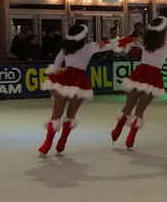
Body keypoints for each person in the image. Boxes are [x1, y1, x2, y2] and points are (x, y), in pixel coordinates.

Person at [109, 16, 167, 149]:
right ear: (164, 30)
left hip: (139, 74)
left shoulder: (144, 41)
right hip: (153, 78)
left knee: (128, 105)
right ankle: (131, 137)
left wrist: (128, 39)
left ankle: (117, 130)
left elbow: (121, 42)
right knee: (140, 110)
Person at [37, 24, 111, 156]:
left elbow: (57, 64)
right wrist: (127, 40)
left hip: (65, 80)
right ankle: (62, 141)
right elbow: (113, 44)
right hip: (80, 82)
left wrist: (52, 82)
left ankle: (48, 143)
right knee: (71, 115)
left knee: (56, 115)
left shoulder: (66, 47)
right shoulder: (89, 46)